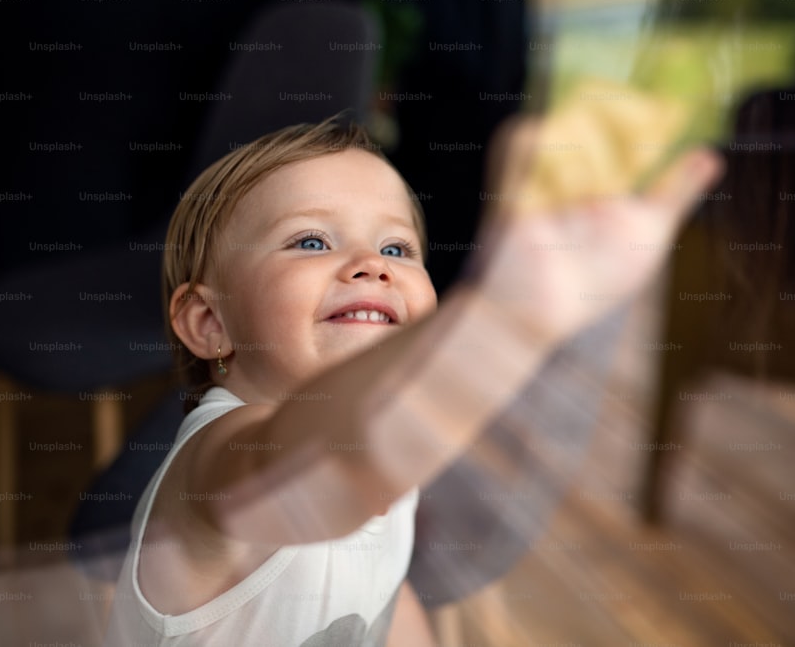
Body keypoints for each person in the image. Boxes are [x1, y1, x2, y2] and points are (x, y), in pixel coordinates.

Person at [102, 115, 722, 645]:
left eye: (397, 250)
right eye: (311, 240)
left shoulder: (380, 456)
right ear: (210, 323)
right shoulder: (221, 459)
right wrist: (507, 317)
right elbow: (329, 470)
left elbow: (385, 596)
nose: (371, 265)